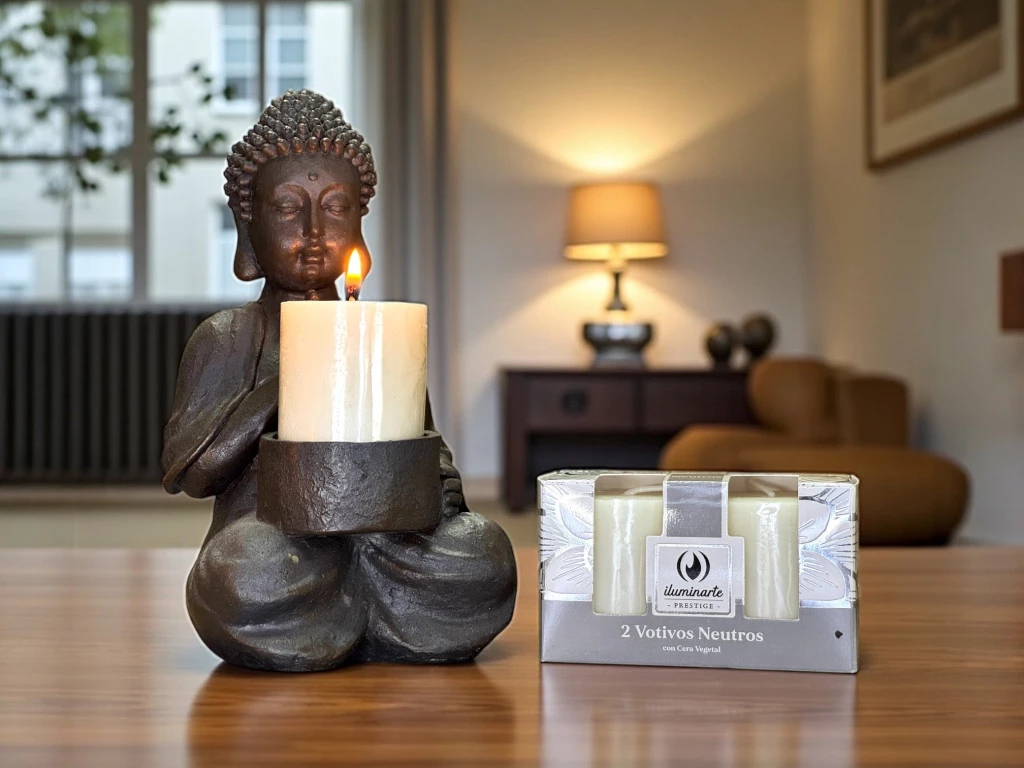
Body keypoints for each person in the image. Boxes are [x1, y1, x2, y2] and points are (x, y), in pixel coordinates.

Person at [162, 90, 517, 672]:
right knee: (239, 574)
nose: (313, 230)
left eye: (335, 208)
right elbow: (194, 471)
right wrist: (296, 376)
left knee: (485, 553)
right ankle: (355, 613)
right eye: (287, 208)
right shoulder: (229, 336)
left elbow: (424, 448)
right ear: (248, 223)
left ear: (358, 222)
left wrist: (442, 485)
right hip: (279, 544)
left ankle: (351, 613)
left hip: (388, 543)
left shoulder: (382, 331)